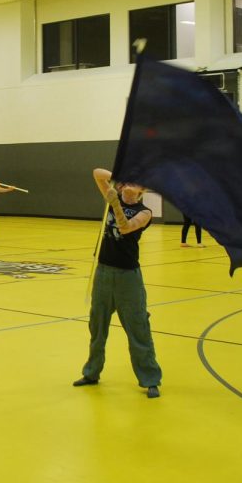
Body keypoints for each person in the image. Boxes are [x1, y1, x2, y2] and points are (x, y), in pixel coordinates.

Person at [72, 168, 163, 399]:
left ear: (142, 190)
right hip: (103, 272)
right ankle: (91, 373)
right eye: (126, 182)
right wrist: (120, 177)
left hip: (128, 277)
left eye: (136, 183)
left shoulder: (145, 212)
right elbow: (96, 173)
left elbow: (125, 227)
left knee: (138, 327)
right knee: (97, 326)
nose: (129, 185)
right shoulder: (111, 194)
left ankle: (150, 379)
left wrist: (115, 204)